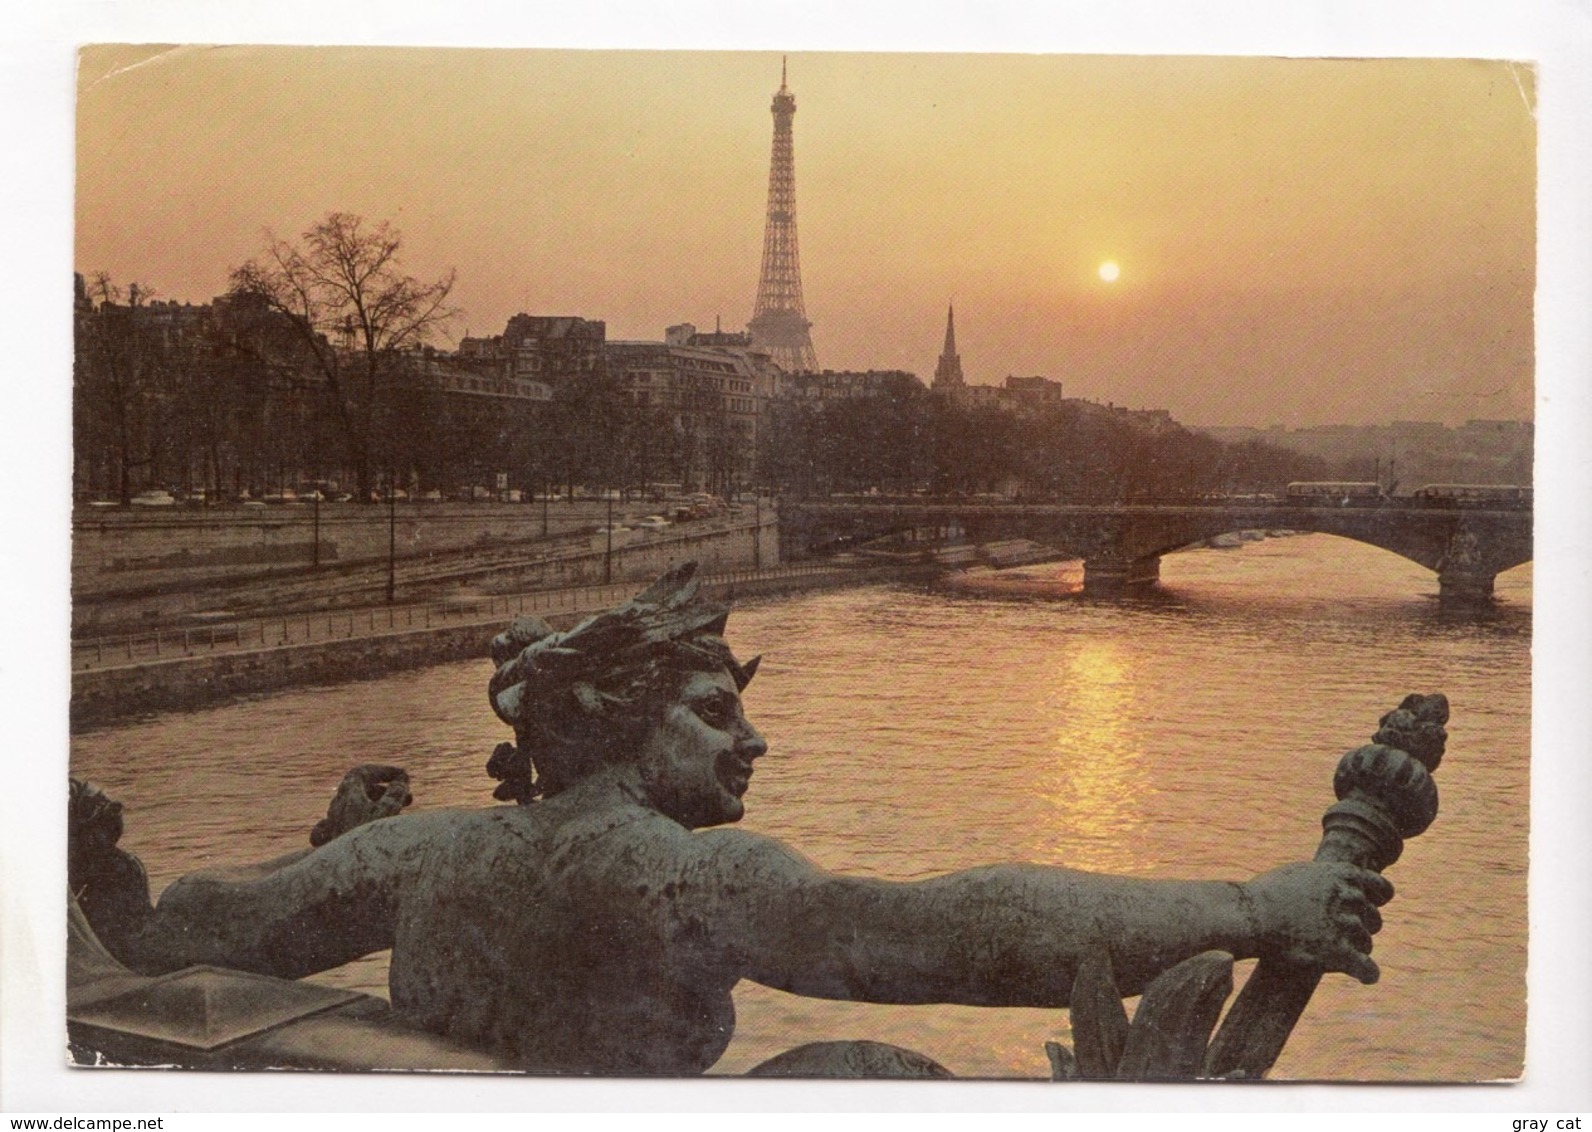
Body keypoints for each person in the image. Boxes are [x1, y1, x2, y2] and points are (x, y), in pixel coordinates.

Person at [69, 563, 1393, 1076]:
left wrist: (107, 879)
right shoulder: (669, 878)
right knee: (862, 1078)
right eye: (714, 712)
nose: (753, 738)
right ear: (620, 721)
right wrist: (1251, 907)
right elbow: (922, 933)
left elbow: (201, 929)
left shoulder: (428, 850)